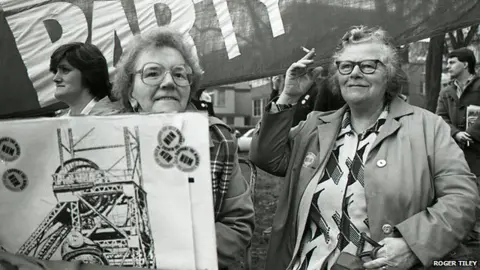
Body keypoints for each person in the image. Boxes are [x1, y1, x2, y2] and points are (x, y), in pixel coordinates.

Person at [250, 25, 478, 270]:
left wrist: (414, 245)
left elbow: (462, 198)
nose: (355, 73)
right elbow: (266, 157)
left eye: (368, 65)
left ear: (388, 74)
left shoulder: (428, 127)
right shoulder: (316, 126)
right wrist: (288, 96)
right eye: (346, 66)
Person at [112, 26, 254, 269]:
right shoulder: (105, 142)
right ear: (131, 93)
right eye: (152, 73)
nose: (168, 82)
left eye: (179, 74)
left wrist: (181, 260)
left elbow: (237, 222)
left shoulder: (218, 138)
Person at [436, 47, 480, 242]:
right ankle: (466, 230)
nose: (448, 66)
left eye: (452, 62)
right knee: (461, 188)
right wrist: (455, 133)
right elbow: (441, 117)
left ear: (466, 64)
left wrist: (470, 134)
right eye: (447, 62)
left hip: (478, 148)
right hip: (456, 150)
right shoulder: (446, 91)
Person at [50, 42, 122, 116]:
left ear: (89, 74)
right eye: (55, 71)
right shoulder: (58, 121)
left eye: (65, 70)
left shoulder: (113, 120)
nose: (55, 78)